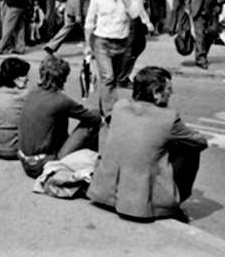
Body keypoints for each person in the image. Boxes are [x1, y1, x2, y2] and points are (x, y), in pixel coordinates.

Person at [88, 67, 208, 221]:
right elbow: (200, 142)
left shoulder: (120, 107)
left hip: (102, 194)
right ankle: (171, 205)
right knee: (191, 151)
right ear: (156, 93)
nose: (171, 94)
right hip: (136, 208)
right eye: (168, 89)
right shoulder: (168, 117)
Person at [18, 56, 102, 178]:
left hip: (25, 160)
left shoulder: (32, 92)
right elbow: (93, 118)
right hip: (44, 163)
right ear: (63, 79)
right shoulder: (61, 100)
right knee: (93, 119)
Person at [84, 0, 140, 118]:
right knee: (107, 77)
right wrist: (88, 45)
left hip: (121, 41)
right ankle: (110, 114)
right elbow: (89, 22)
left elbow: (135, 15)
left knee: (112, 79)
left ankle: (105, 108)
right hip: (102, 41)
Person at [119, 0, 155, 87]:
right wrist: (147, 21)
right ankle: (122, 77)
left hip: (131, 12)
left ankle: (122, 74)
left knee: (138, 45)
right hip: (133, 14)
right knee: (133, 46)